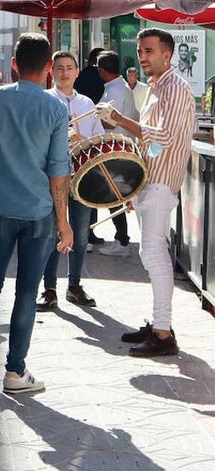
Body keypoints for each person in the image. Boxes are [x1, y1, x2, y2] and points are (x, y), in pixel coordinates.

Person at [0, 33, 72, 394]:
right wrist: (64, 222)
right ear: (47, 70)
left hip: (0, 208)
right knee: (27, 292)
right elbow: (59, 170)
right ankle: (15, 372)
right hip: (40, 211)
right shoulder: (56, 108)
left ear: (13, 64)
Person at [96, 28, 198, 357]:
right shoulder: (157, 87)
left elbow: (163, 138)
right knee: (149, 255)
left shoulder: (175, 88)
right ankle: (159, 324)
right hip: (150, 181)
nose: (142, 56)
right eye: (140, 50)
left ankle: (163, 333)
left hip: (161, 184)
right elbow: (150, 145)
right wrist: (132, 182)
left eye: (149, 51)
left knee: (154, 254)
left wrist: (121, 119)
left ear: (166, 54)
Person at [37, 51, 105, 313]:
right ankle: (50, 288)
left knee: (80, 231)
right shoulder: (44, 100)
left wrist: (83, 142)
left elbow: (97, 138)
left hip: (82, 177)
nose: (64, 73)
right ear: (51, 72)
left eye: (69, 68)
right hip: (52, 178)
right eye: (59, 68)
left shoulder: (87, 103)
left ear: (78, 72)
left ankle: (74, 285)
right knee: (54, 232)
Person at [96, 51, 139, 257]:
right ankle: (121, 239)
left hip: (116, 148)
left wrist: (92, 118)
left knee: (114, 196)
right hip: (120, 146)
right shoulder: (120, 88)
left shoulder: (116, 91)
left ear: (102, 70)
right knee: (115, 196)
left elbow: (109, 121)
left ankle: (122, 241)